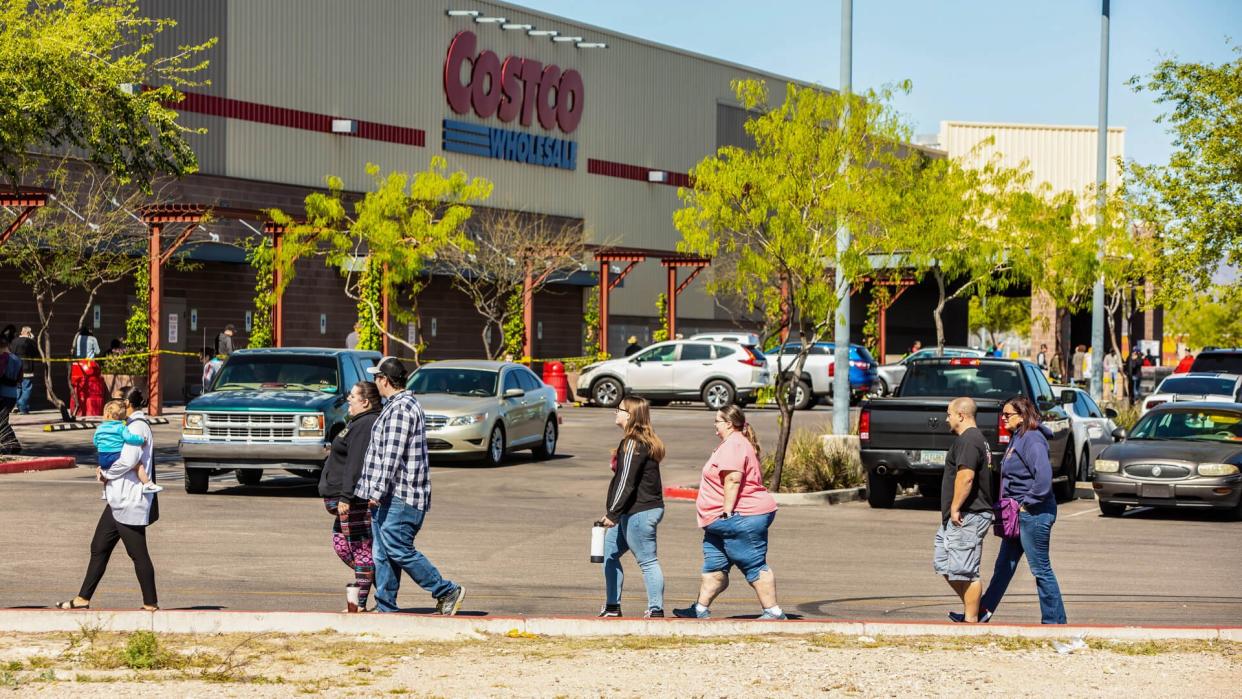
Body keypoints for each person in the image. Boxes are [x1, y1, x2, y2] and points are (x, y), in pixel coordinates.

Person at [355, 356, 465, 615]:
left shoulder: (401, 409)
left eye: (376, 378)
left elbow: (391, 456)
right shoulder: (396, 406)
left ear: (384, 380)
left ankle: (446, 590)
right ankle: (385, 606)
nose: (375, 382)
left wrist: (376, 491)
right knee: (382, 553)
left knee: (397, 548)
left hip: (401, 496)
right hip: (390, 495)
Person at [673, 405, 784, 620]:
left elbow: (733, 479)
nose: (714, 424)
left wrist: (727, 511)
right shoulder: (732, 443)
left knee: (753, 563)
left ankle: (773, 612)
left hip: (740, 517)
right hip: (719, 522)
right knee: (715, 566)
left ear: (729, 423)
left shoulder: (734, 444)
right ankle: (700, 608)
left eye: (717, 420)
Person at [60, 389, 159, 611]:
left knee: (137, 553)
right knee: (99, 546)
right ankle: (82, 599)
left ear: (126, 403)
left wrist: (106, 473)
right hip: (118, 499)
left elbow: (128, 460)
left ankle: (150, 604)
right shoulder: (129, 426)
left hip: (129, 498)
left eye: (117, 400)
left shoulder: (136, 427)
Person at [977, 396, 1067, 625]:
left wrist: (1026, 503)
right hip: (1017, 516)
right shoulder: (1018, 437)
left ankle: (1055, 623)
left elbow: (1044, 479)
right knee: (1003, 568)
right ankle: (980, 614)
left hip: (1033, 514)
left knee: (1040, 569)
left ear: (1023, 415)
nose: (1003, 418)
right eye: (1003, 414)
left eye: (1008, 414)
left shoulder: (1032, 439)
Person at [598, 395, 666, 619]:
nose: (615, 412)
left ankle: (656, 610)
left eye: (619, 409)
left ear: (630, 415)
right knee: (609, 552)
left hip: (639, 511)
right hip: (631, 511)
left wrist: (612, 513)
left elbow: (627, 482)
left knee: (647, 560)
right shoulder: (640, 442)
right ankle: (612, 606)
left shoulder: (633, 443)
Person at [320, 381, 382, 612]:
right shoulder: (357, 422)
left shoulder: (365, 424)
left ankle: (360, 603)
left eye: (353, 397)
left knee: (360, 549)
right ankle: (381, 583)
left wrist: (346, 497)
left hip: (353, 499)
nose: (348, 399)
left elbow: (356, 463)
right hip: (342, 498)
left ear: (365, 401)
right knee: (341, 545)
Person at [936, 398, 995, 624]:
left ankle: (972, 622)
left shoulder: (970, 440)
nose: (946, 418)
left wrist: (955, 507)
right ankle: (975, 610)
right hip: (960, 516)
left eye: (949, 413)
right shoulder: (973, 439)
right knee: (944, 563)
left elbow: (967, 476)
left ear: (961, 415)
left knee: (966, 570)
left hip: (968, 514)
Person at [94, 400, 160, 493]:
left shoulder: (100, 428)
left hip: (102, 458)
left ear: (106, 415)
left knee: (106, 471)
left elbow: (96, 441)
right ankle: (147, 484)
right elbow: (129, 438)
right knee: (138, 465)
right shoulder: (121, 427)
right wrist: (141, 440)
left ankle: (105, 491)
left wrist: (102, 447)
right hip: (115, 456)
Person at [0, 336, 21, 455]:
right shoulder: (17, 359)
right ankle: (10, 444)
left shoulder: (3, 358)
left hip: (2, 393)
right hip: (12, 394)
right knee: (3, 420)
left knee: (1, 421)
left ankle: (13, 444)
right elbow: (20, 378)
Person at [10, 327, 37, 415]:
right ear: (29, 333)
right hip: (27, 368)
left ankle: (15, 406)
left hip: (15, 368)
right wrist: (33, 339)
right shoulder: (30, 342)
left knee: (18, 387)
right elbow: (36, 353)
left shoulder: (14, 341)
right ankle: (23, 407)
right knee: (27, 388)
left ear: (21, 332)